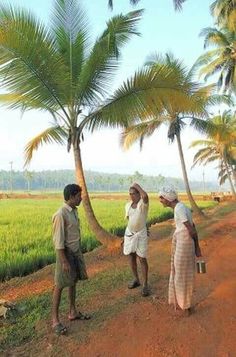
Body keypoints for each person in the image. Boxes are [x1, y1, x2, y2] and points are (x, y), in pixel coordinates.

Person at [52, 184, 90, 335]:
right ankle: (55, 321)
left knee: (73, 281)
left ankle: (72, 312)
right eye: (79, 196)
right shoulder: (60, 214)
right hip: (65, 254)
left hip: (75, 252)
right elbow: (58, 241)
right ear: (72, 196)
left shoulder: (74, 211)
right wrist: (64, 261)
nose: (81, 198)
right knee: (59, 285)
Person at [159, 187, 202, 316]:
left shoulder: (179, 208)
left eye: (162, 197)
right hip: (184, 242)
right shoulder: (181, 207)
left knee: (181, 275)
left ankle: (185, 306)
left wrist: (197, 247)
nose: (160, 200)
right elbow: (192, 226)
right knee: (182, 273)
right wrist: (196, 246)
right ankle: (183, 303)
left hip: (184, 244)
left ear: (168, 198)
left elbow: (192, 229)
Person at [123, 183, 149, 297]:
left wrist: (137, 185)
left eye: (134, 193)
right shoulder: (127, 205)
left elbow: (146, 197)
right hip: (129, 234)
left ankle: (145, 285)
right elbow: (130, 219)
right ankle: (136, 279)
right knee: (131, 256)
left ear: (139, 194)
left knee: (142, 258)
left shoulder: (143, 204)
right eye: (130, 194)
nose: (131, 196)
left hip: (141, 234)